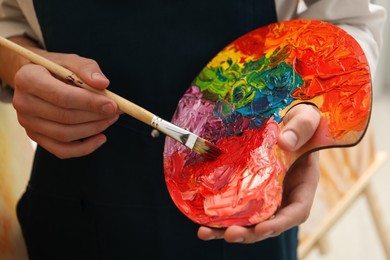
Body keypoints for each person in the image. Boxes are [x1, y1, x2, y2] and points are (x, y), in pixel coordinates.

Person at [0, 0, 386, 259]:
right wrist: (18, 69)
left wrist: (309, 117)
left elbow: (351, 20)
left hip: (249, 203)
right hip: (77, 214)